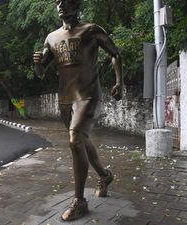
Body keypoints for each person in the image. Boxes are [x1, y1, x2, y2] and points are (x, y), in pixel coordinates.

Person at [33, 0, 123, 221]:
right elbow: (41, 72)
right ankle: (104, 175)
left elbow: (115, 54)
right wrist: (36, 63)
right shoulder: (51, 37)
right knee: (80, 139)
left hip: (88, 94)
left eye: (67, 1)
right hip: (65, 98)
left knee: (74, 140)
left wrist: (119, 82)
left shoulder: (91, 30)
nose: (62, 5)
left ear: (77, 4)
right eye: (58, 2)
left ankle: (79, 201)